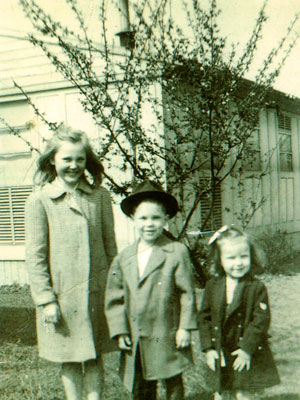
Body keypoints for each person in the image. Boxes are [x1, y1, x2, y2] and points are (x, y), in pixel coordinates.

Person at [25, 125, 117, 400]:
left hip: (97, 293)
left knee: (94, 355)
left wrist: (115, 290)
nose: (74, 165)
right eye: (67, 159)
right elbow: (36, 256)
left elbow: (110, 246)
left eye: (79, 159)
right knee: (70, 357)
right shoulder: (40, 200)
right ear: (52, 160)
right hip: (62, 298)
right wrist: (46, 300)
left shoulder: (99, 197)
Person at [105, 180, 198, 400]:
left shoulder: (175, 252)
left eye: (155, 218)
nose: (149, 224)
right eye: (143, 218)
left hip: (166, 331)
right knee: (141, 386)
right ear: (132, 219)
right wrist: (120, 331)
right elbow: (114, 297)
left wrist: (185, 328)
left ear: (166, 218)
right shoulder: (124, 257)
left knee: (172, 382)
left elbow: (187, 293)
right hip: (137, 335)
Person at [198, 225, 280, 400]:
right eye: (231, 258)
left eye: (244, 256)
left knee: (244, 392)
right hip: (220, 347)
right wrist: (208, 348)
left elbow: (260, 321)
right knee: (220, 391)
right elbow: (204, 318)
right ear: (220, 260)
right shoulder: (213, 286)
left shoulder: (256, 287)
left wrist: (246, 350)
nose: (238, 263)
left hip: (244, 348)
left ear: (251, 256)